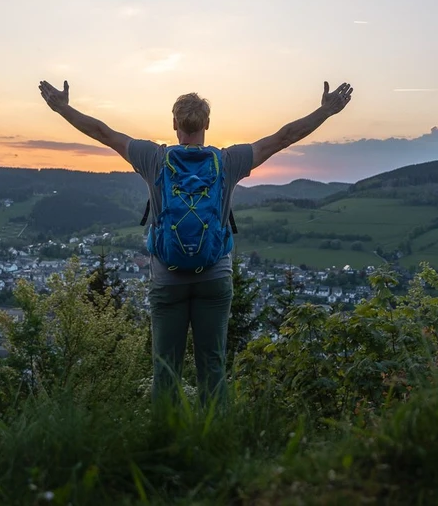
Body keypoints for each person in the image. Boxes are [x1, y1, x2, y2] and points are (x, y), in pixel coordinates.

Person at [38, 79, 354, 407]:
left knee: (165, 370)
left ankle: (168, 445)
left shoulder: (152, 157)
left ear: (174, 124)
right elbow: (283, 137)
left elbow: (103, 132)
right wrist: (326, 111)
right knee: (213, 365)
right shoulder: (229, 161)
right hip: (214, 277)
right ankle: (214, 444)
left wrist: (62, 108)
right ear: (207, 124)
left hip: (167, 279)